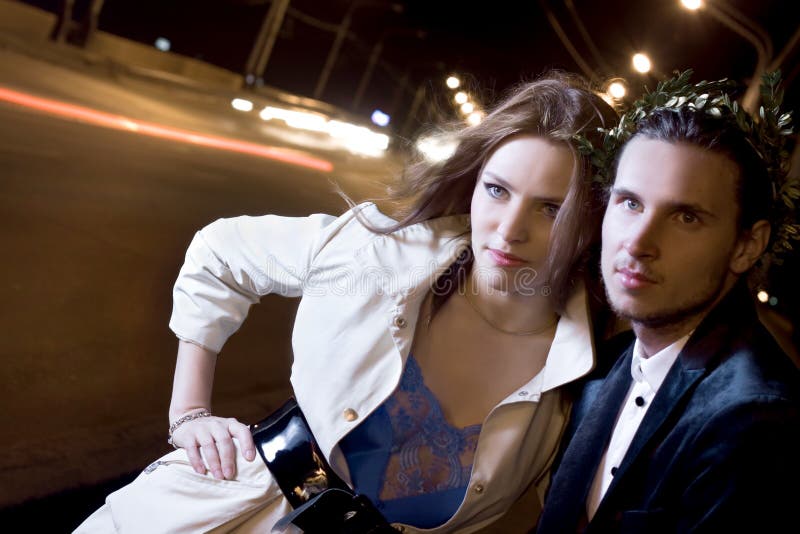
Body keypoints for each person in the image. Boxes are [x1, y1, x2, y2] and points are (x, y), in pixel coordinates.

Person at [75, 72, 618, 533]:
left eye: (551, 209)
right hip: (209, 517)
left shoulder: (585, 376)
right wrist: (188, 413)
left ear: (597, 220)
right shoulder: (379, 254)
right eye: (497, 190)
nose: (509, 229)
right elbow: (220, 254)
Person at [537, 72, 800, 533]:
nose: (638, 243)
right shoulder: (612, 360)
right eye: (630, 203)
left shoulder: (757, 419)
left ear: (746, 245)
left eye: (685, 216)